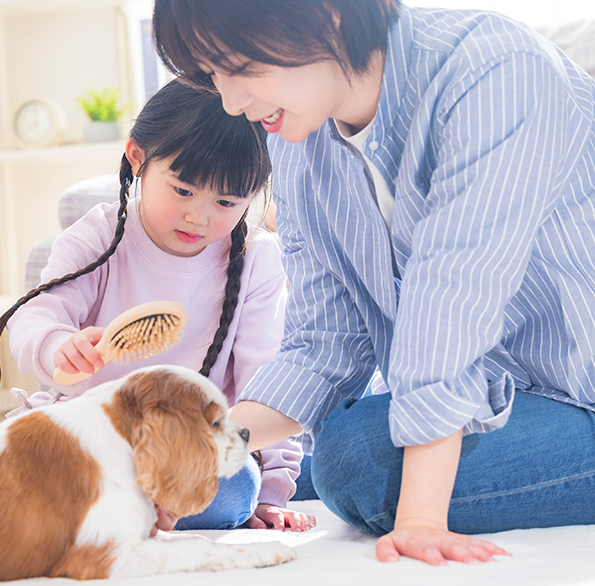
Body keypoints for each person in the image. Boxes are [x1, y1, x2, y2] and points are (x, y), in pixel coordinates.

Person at [153, 0, 595, 565]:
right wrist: (194, 448)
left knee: (352, 459)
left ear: (325, 15)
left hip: (577, 391)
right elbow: (323, 346)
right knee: (276, 469)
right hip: (509, 396)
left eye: (241, 68)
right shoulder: (297, 139)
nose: (232, 102)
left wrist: (419, 520)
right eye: (215, 75)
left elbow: (452, 304)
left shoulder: (493, 71)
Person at [0, 79, 314, 533]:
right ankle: (115, 506)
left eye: (227, 201)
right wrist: (58, 346)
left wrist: (269, 494)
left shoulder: (257, 260)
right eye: (184, 190)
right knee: (5, 470)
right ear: (137, 158)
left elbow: (265, 383)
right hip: (93, 436)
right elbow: (36, 316)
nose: (200, 216)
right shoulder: (98, 236)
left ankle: (104, 510)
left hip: (189, 452)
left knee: (234, 489)